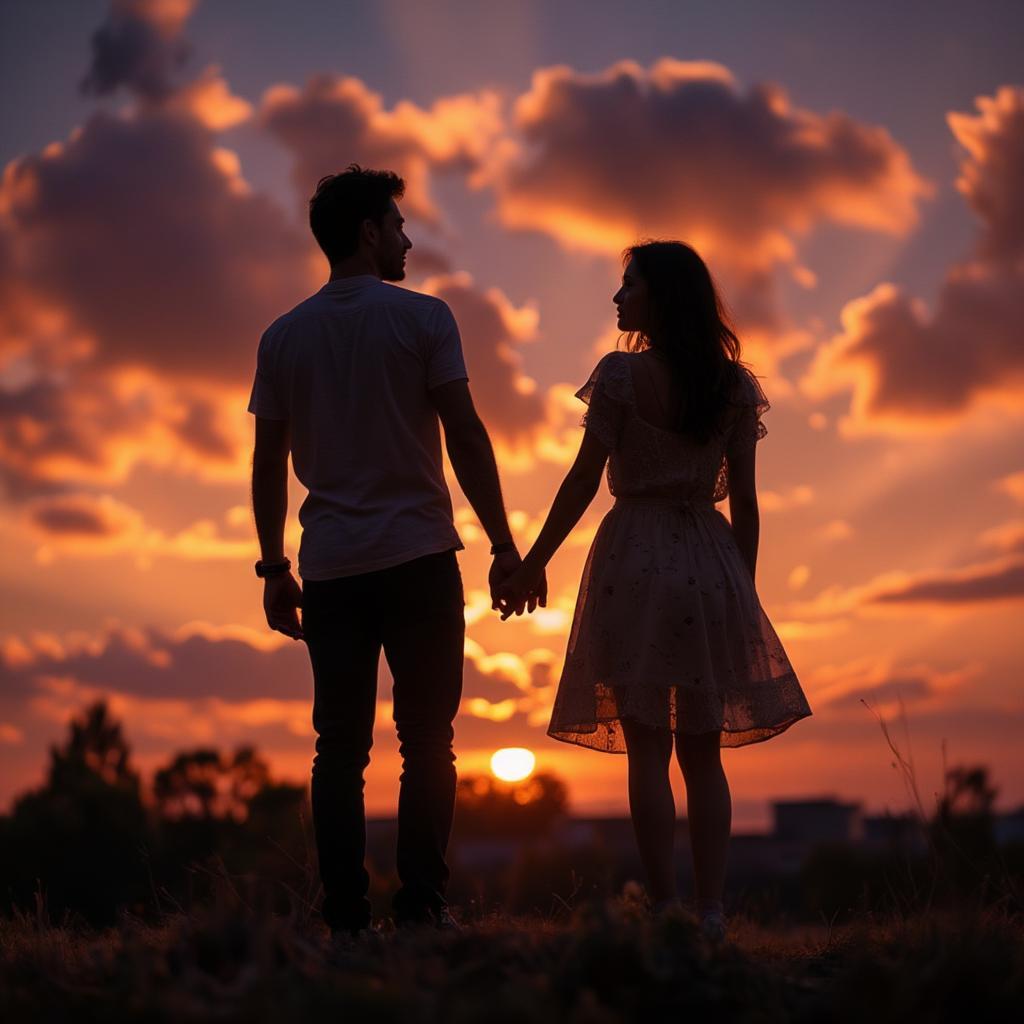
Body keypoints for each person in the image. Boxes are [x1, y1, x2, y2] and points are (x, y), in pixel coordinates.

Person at [248, 165, 544, 941]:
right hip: (419, 559)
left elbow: (265, 462)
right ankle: (421, 910)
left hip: (332, 566)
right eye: (399, 224)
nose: (409, 237)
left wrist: (274, 568)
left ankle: (344, 919)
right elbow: (466, 433)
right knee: (428, 741)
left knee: (337, 749)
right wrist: (505, 544)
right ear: (371, 232)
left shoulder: (282, 336)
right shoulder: (425, 319)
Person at [497, 241, 812, 943]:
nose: (617, 299)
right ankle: (710, 912)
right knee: (704, 754)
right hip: (708, 560)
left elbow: (583, 480)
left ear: (659, 297)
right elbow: (749, 506)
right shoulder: (733, 386)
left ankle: (667, 908)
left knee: (648, 750)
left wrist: (534, 561)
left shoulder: (619, 376)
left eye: (627, 285)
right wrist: (744, 596)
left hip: (633, 556)